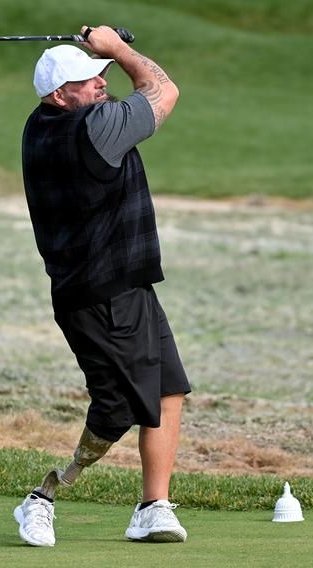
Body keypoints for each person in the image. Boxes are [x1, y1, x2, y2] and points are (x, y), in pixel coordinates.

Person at [14, 25, 189, 547]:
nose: (99, 84)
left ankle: (153, 506)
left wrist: (103, 59)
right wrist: (117, 49)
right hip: (102, 295)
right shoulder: (96, 127)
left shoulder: (37, 126)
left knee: (168, 389)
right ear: (57, 94)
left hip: (117, 287)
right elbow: (164, 91)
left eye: (100, 75)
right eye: (86, 80)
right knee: (116, 410)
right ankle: (43, 496)